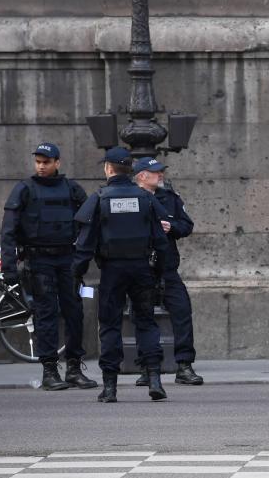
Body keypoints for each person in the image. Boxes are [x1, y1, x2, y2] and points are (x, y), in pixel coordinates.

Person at [71, 147, 170, 403]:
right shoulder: (145, 198)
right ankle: (155, 378)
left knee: (110, 325)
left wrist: (76, 274)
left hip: (113, 270)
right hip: (141, 269)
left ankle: (110, 386)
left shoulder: (100, 198)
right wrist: (160, 272)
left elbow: (85, 244)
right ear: (130, 170)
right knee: (146, 322)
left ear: (108, 168)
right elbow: (160, 240)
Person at [0, 143, 97, 390]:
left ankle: (74, 368)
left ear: (57, 163)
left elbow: (89, 225)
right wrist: (9, 270)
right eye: (38, 162)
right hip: (38, 260)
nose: (41, 166)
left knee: (74, 313)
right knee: (46, 315)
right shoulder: (24, 190)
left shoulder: (72, 189)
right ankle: (50, 371)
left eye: (46, 162)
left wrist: (82, 259)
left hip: (67, 260)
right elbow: (8, 232)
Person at [132, 157, 203, 386]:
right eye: (155, 172)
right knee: (142, 318)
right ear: (142, 175)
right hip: (141, 270)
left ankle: (184, 366)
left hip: (167, 269)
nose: (160, 175)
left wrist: (171, 227)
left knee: (182, 313)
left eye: (160, 171)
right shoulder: (129, 198)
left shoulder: (170, 198)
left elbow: (187, 226)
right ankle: (147, 368)